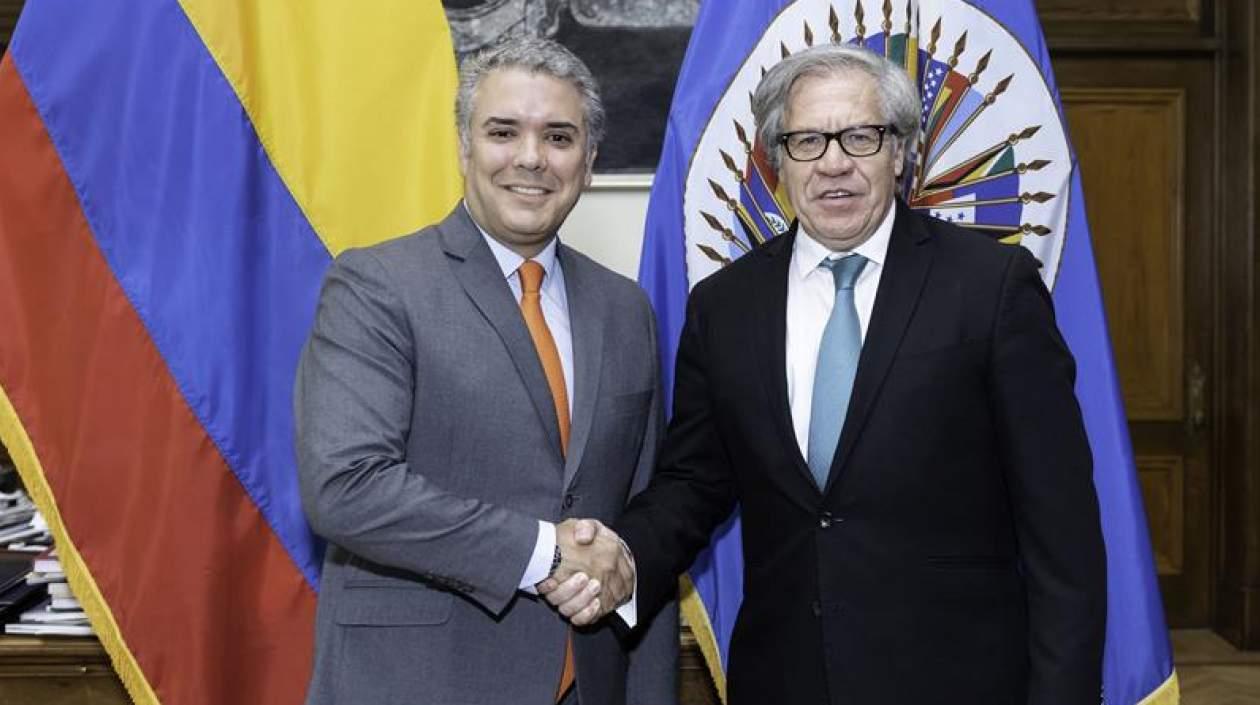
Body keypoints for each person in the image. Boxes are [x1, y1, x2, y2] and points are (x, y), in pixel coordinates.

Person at [543, 43, 1107, 704]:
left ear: (900, 153)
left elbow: (1062, 534)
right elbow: (695, 481)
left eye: (860, 137)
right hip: (786, 679)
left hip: (961, 680)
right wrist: (624, 557)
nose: (834, 162)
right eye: (807, 140)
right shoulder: (726, 306)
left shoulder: (992, 288)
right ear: (776, 160)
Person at [295, 37, 677, 705]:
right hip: (419, 684)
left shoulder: (625, 309)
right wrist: (543, 552)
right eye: (504, 131)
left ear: (588, 161)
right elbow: (346, 486)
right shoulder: (375, 285)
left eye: (559, 136)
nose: (531, 157)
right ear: (465, 147)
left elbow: (636, 521)